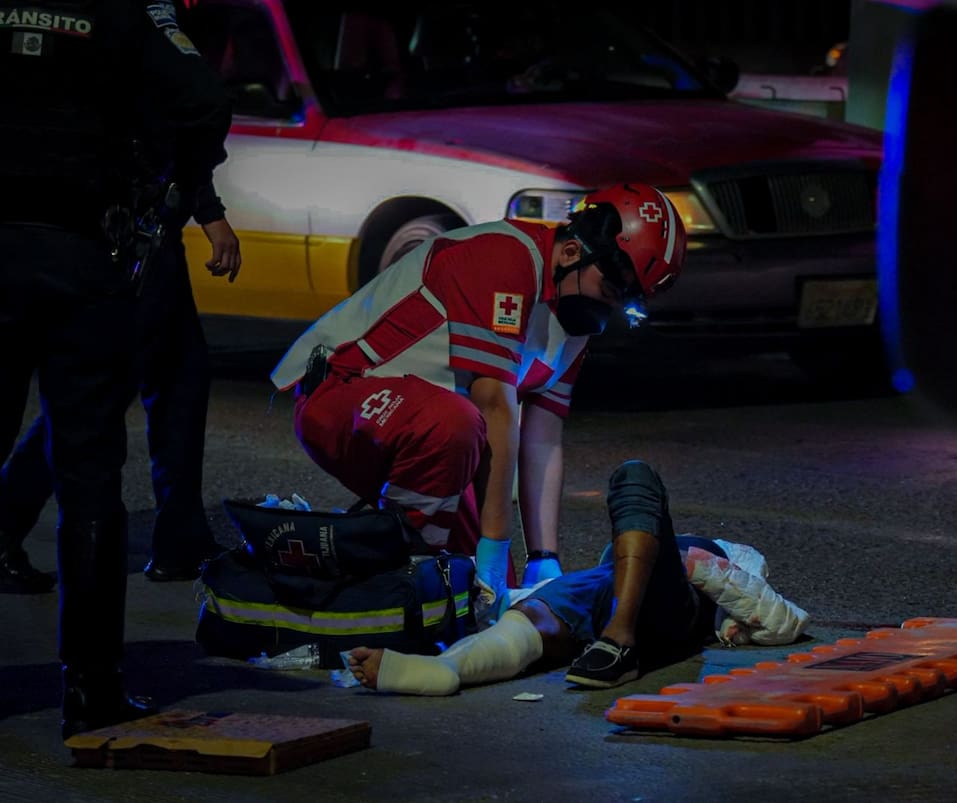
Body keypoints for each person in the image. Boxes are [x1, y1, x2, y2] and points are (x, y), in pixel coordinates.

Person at [270, 185, 687, 604]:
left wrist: (543, 559)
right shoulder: (506, 258)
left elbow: (543, 438)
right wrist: (495, 545)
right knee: (458, 432)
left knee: (491, 597)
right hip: (340, 391)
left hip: (433, 430)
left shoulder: (573, 306)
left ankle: (397, 566)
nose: (606, 308)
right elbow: (495, 408)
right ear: (571, 252)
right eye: (610, 290)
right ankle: (402, 568)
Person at [0, 1, 231, 738]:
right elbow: (203, 98)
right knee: (90, 469)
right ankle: (90, 687)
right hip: (82, 251)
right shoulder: (124, 9)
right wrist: (171, 186)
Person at [345, 460, 810, 692]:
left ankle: (620, 642)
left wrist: (693, 561)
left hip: (671, 610)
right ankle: (450, 668)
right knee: (536, 618)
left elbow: (782, 621)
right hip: (604, 596)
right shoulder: (613, 566)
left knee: (635, 476)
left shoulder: (734, 555)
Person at [0, 181, 241, 592]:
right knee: (102, 396)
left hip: (136, 231)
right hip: (131, 232)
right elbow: (181, 145)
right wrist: (211, 213)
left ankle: (180, 540)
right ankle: (7, 525)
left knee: (172, 379)